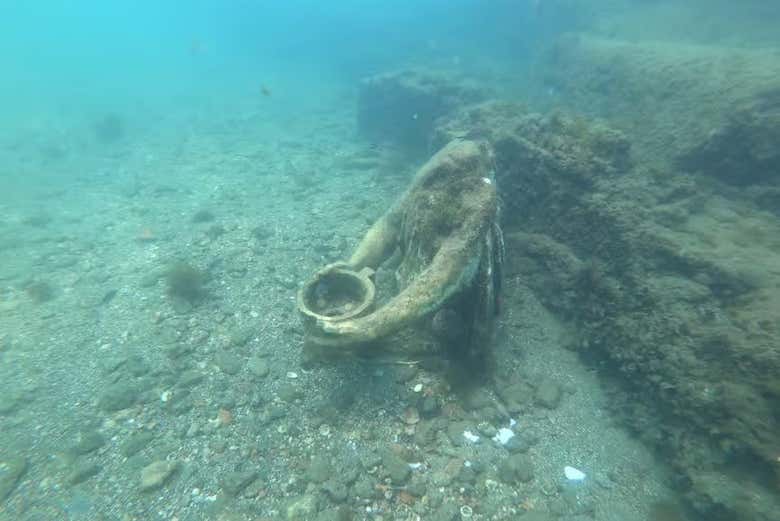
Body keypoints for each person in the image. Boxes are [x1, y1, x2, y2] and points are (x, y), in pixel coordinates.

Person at [308, 139, 504, 371]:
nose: (447, 165)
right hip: (419, 271)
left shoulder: (477, 201)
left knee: (445, 329)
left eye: (453, 165)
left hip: (451, 295)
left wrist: (370, 327)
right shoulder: (433, 176)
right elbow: (390, 223)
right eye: (444, 164)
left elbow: (444, 275)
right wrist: (354, 267)